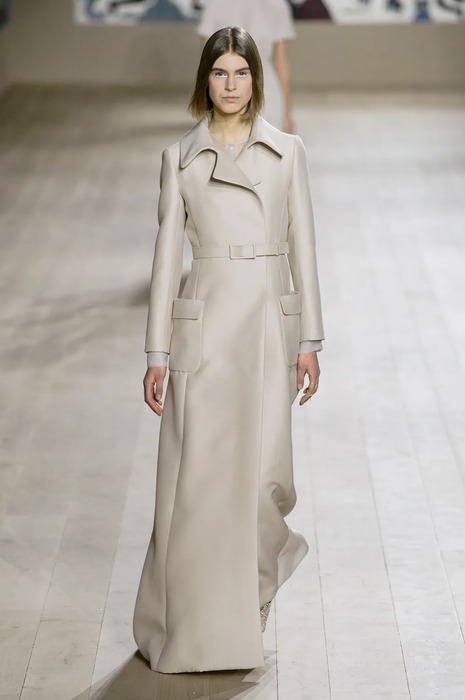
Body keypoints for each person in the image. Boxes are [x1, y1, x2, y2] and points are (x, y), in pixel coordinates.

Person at [132, 26, 325, 674]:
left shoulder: (288, 151)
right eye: (220, 73)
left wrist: (310, 338)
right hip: (207, 326)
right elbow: (165, 260)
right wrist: (156, 354)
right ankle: (192, 625)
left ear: (256, 80)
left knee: (267, 478)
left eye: (242, 72)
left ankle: (260, 578)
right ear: (205, 80)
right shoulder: (179, 158)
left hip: (267, 325)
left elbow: (304, 247)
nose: (232, 84)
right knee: (197, 485)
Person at [197, 0, 296, 132]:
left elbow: (281, 62)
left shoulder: (276, 5)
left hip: (265, 91)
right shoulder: (215, 4)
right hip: (228, 88)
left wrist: (287, 113)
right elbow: (207, 60)